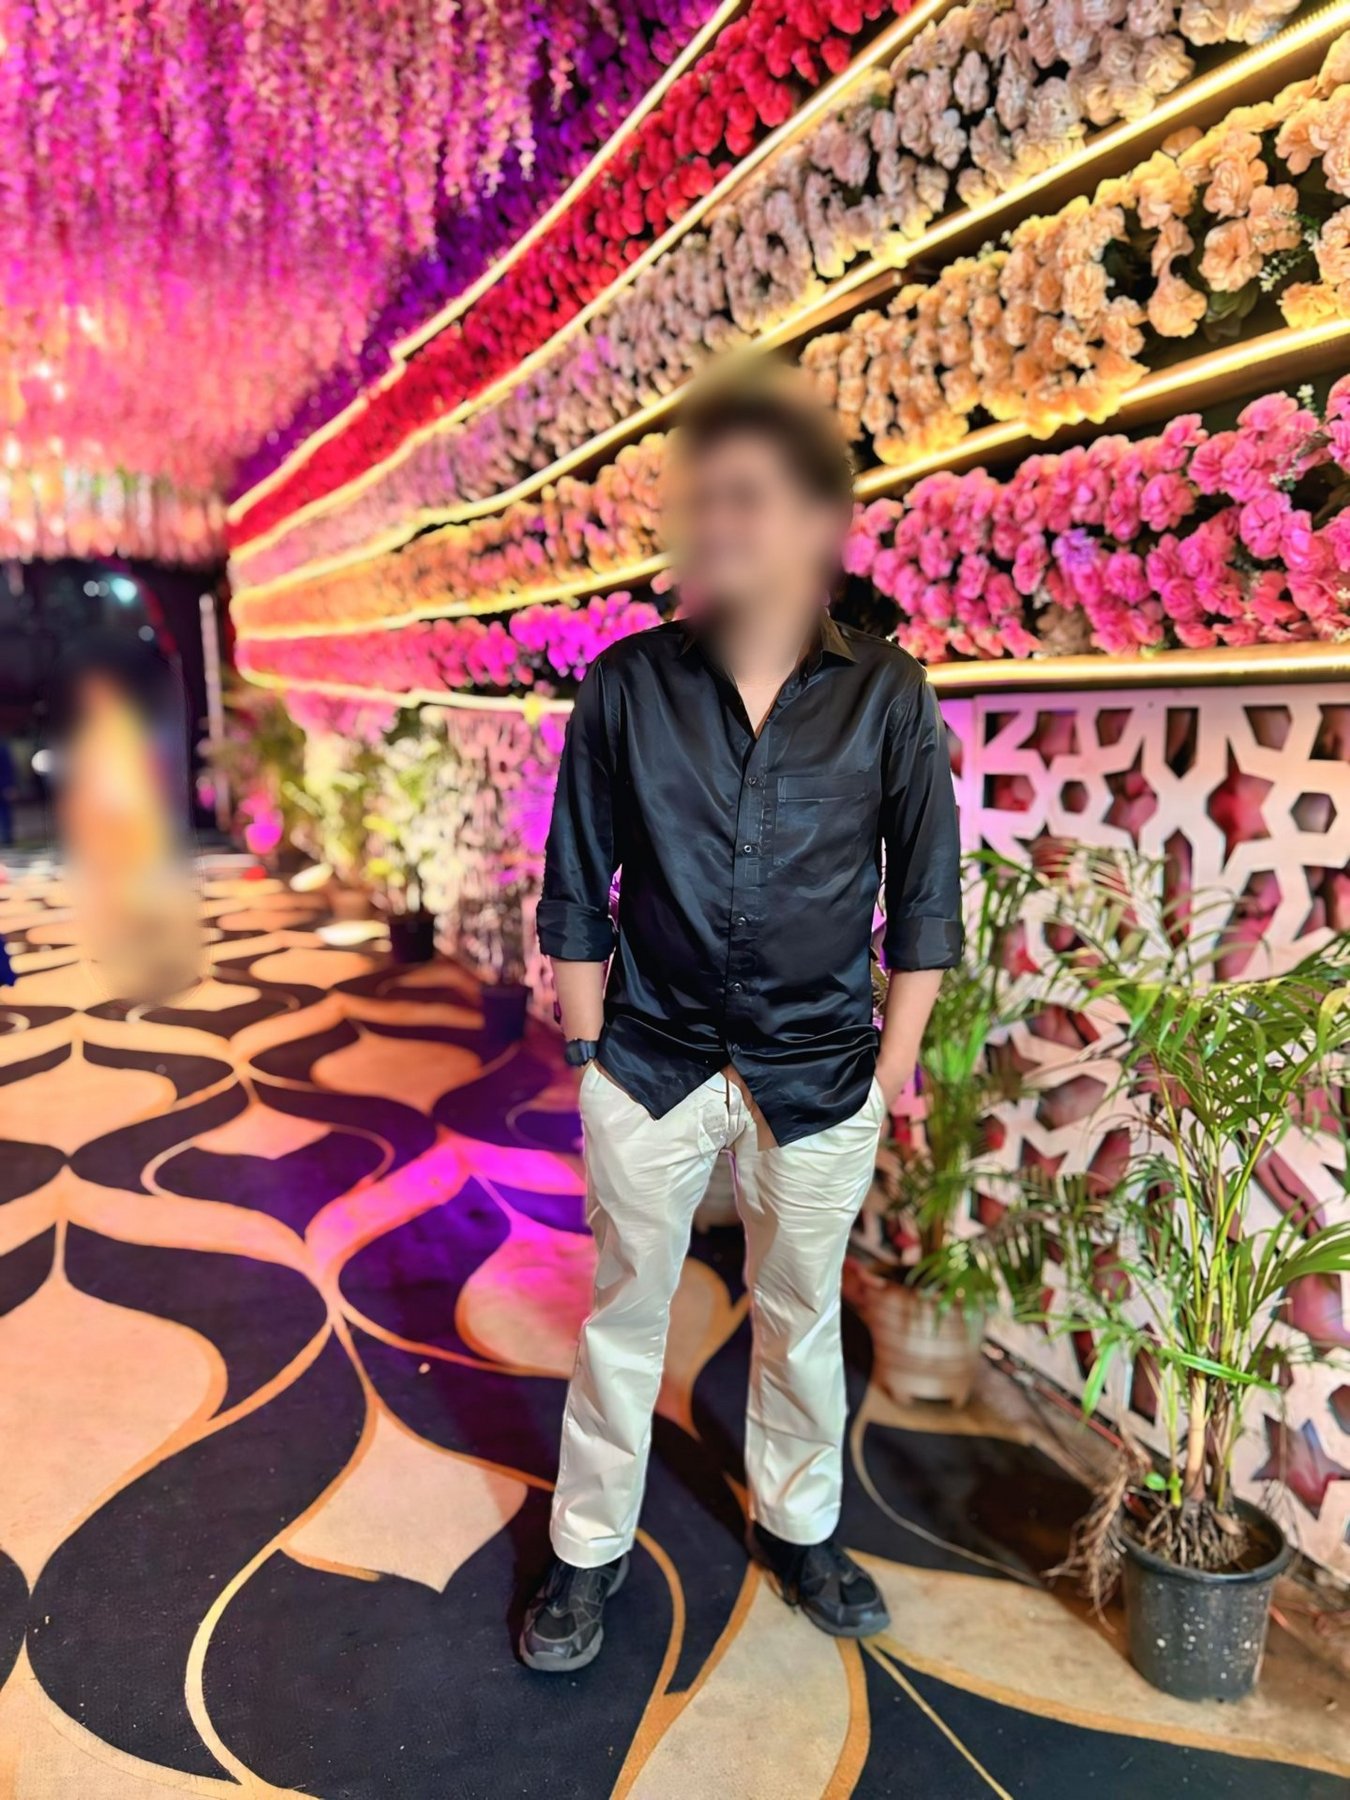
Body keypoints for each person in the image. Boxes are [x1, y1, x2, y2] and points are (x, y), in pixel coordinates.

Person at [520, 363, 962, 1672]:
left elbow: (924, 898)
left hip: (820, 1071)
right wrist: (590, 1054)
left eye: (753, 497)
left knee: (800, 1313)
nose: (721, 523)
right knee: (623, 1315)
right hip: (648, 1059)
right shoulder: (626, 686)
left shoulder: (887, 694)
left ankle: (801, 1526)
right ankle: (585, 1551)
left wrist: (890, 1068)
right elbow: (575, 879)